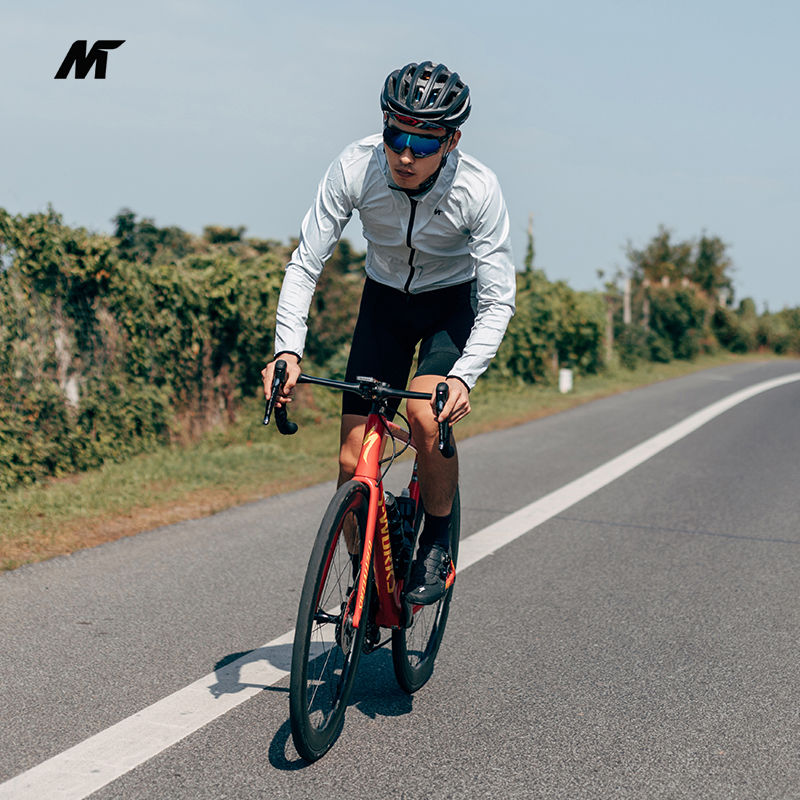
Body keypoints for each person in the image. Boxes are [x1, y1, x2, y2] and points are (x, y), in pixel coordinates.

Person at [262, 61, 516, 604]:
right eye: (395, 135)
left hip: (450, 305)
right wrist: (288, 349)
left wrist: (465, 377)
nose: (404, 155)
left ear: (451, 140)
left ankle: (438, 537)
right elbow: (306, 263)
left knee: (425, 413)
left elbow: (498, 301)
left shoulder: (478, 188)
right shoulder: (357, 168)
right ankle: (367, 579)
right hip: (383, 303)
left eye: (422, 144)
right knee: (352, 462)